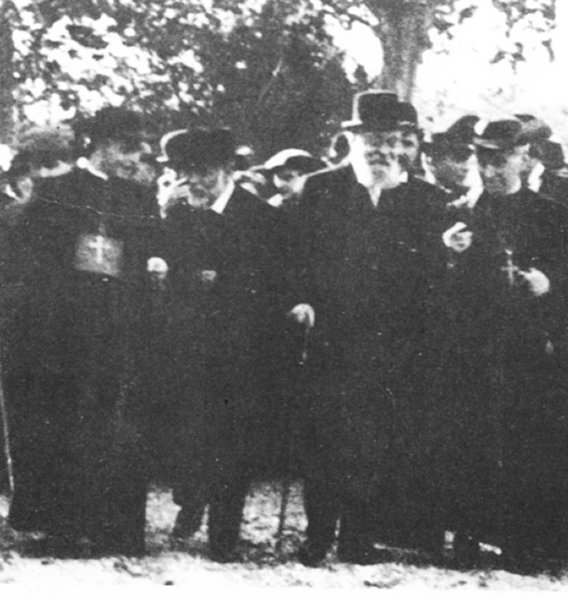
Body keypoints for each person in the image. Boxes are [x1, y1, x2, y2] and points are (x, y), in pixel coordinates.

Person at [290, 90, 447, 566]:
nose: (384, 150)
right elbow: (296, 256)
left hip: (393, 343)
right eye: (374, 140)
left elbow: (432, 276)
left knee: (375, 441)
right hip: (330, 337)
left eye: (394, 140)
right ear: (354, 140)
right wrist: (300, 300)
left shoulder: (426, 199)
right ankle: (318, 535)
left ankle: (358, 538)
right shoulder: (321, 188)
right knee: (325, 439)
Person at [5, 107, 160, 557]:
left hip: (120, 332)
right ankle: (66, 528)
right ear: (102, 146)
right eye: (128, 148)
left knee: (118, 429)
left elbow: (147, 258)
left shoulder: (140, 198)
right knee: (65, 426)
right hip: (65, 335)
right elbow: (31, 267)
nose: (135, 157)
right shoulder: (55, 192)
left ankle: (118, 529)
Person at [431, 118, 568, 572]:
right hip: (473, 347)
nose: (490, 170)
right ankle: (466, 537)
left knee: (525, 443)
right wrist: (448, 254)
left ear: (525, 158)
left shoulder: (553, 215)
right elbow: (429, 286)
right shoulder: (459, 212)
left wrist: (550, 284)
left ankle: (520, 542)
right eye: (483, 160)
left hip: (528, 348)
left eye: (501, 160)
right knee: (470, 439)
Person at [156, 127, 288, 562]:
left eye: (204, 171)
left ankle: (224, 532)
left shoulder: (262, 217)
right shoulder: (176, 215)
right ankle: (191, 499)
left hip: (240, 349)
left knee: (233, 439)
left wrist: (225, 283)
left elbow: (273, 283)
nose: (194, 180)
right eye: (186, 171)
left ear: (229, 168)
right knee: (189, 433)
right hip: (188, 346)